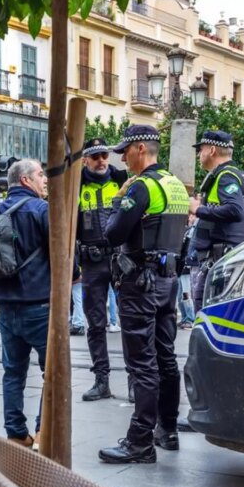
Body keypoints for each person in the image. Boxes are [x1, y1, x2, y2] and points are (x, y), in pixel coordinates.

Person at [98, 125, 189, 464]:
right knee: (166, 359)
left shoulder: (141, 187)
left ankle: (139, 442)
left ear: (140, 149)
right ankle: (168, 430)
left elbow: (113, 232)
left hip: (140, 283)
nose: (122, 158)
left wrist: (119, 200)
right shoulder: (174, 184)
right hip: (168, 283)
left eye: (125, 151)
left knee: (142, 365)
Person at [0, 159, 51, 448]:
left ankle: (15, 433)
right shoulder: (41, 209)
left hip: (5, 302)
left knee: (12, 372)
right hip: (39, 302)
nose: (45, 179)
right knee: (51, 371)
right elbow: (59, 249)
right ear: (26, 180)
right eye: (40, 174)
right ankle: (43, 431)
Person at [76, 137, 129, 401]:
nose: (101, 161)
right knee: (95, 324)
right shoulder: (77, 186)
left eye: (104, 156)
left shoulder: (122, 180)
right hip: (92, 262)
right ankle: (101, 381)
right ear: (85, 159)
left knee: (130, 320)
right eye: (95, 156)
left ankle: (134, 381)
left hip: (120, 259)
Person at [188, 131, 244, 313]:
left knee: (207, 317)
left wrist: (198, 209)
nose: (199, 154)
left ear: (212, 150)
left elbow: (236, 210)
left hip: (219, 261)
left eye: (201, 149)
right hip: (237, 257)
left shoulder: (224, 176)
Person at [177, 224, 197, 329]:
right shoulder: (185, 230)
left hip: (187, 265)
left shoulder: (193, 230)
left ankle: (190, 319)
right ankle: (185, 317)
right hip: (182, 265)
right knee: (180, 296)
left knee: (186, 294)